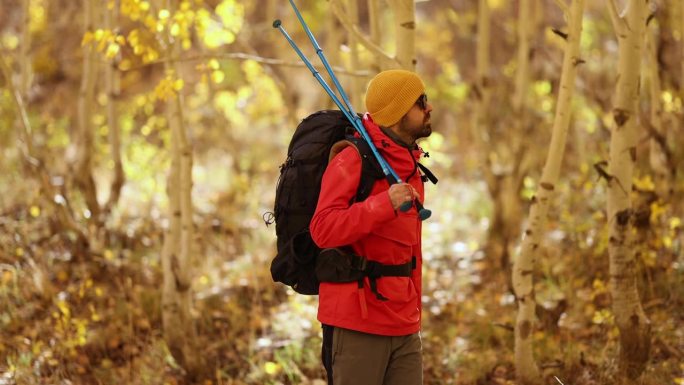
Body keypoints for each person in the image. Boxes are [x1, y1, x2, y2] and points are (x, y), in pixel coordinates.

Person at [309, 69, 433, 385]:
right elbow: (323, 229)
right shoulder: (352, 159)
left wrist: (415, 312)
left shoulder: (409, 167)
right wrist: (382, 205)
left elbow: (410, 251)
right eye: (420, 102)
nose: (429, 108)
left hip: (404, 323)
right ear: (396, 113)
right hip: (357, 324)